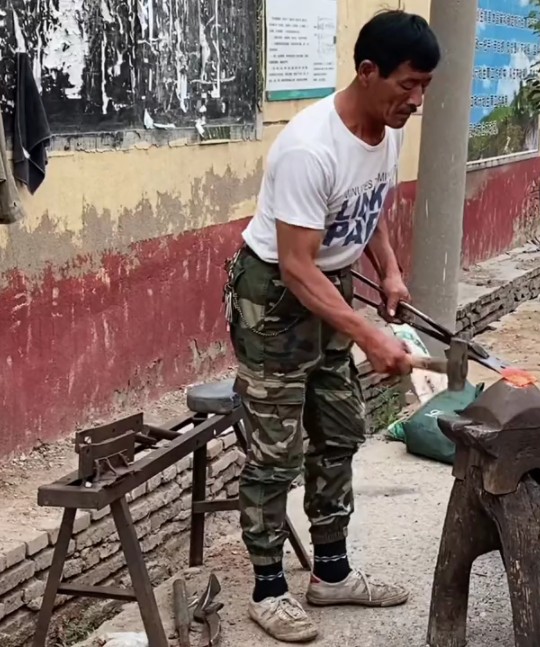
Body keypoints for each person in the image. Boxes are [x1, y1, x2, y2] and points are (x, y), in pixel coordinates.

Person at [223, 11, 439, 642]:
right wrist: (371, 333)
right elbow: (294, 266)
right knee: (274, 451)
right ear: (367, 71)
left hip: (332, 287)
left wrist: (391, 272)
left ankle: (333, 573)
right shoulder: (308, 146)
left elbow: (364, 207)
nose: (417, 100)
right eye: (408, 84)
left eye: (426, 86)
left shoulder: (388, 128)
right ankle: (268, 587)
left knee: (340, 431)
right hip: (276, 298)